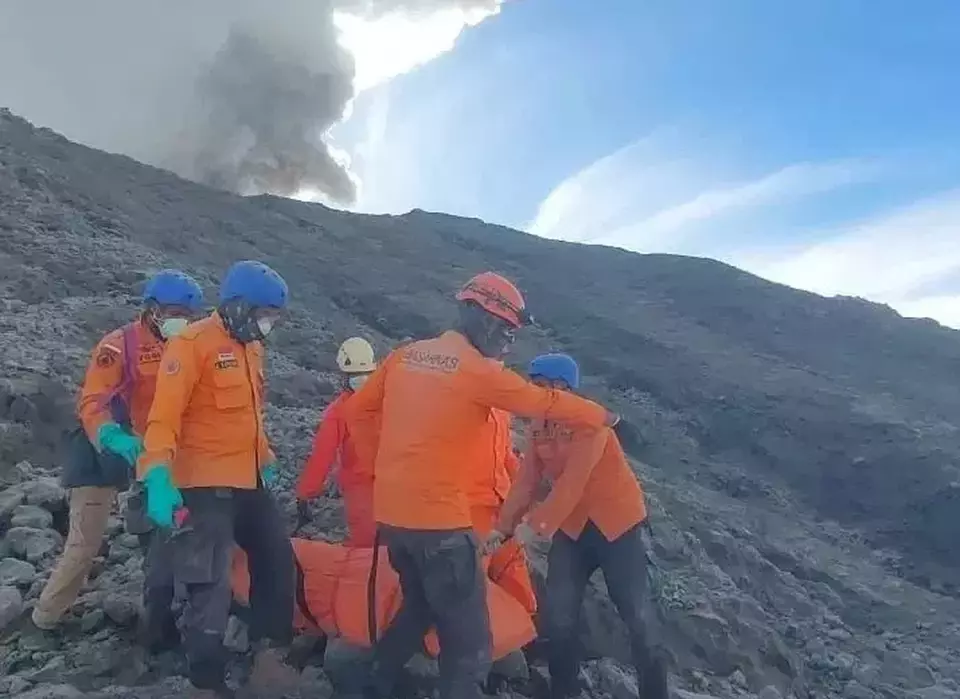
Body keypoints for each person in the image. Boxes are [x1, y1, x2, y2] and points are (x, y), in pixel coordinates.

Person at [345, 271, 620, 699]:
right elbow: (541, 401)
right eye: (506, 329)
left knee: (418, 607)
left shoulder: (404, 356)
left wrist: (382, 467)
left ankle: (369, 685)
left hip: (394, 519)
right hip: (442, 528)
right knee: (470, 646)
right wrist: (601, 416)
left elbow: (357, 412)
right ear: (481, 316)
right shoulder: (477, 372)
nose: (508, 340)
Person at [137, 260, 297, 698]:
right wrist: (156, 475)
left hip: (248, 479)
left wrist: (265, 459)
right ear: (240, 307)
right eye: (266, 315)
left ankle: (270, 650)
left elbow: (252, 416)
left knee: (278, 561)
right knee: (209, 581)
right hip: (203, 482)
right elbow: (163, 418)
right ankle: (204, 676)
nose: (269, 326)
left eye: (275, 318)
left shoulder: (252, 348)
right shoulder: (190, 344)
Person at [31, 269, 203, 649]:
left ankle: (160, 607)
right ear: (153, 309)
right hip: (102, 450)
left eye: (188, 315)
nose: (182, 321)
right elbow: (93, 401)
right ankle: (45, 618)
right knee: (84, 545)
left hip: (149, 450)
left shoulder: (184, 344)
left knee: (163, 529)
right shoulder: (118, 345)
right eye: (175, 311)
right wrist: (110, 435)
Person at [486, 353, 669, 699]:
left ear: (561, 388)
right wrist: (503, 526)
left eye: (538, 386)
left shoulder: (590, 423)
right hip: (573, 530)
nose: (533, 392)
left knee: (639, 617)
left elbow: (574, 483)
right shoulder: (538, 425)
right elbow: (527, 482)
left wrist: (535, 526)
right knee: (558, 617)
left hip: (618, 525)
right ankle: (563, 692)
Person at [295, 337, 378, 546]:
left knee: (365, 549)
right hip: (397, 486)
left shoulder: (338, 411)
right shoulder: (391, 399)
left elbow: (322, 457)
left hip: (361, 491)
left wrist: (305, 494)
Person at [469, 408, 537, 616]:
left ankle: (527, 630)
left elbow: (504, 454)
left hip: (503, 507)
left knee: (514, 571)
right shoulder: (455, 404)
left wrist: (524, 493)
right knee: (470, 582)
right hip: (471, 508)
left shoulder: (500, 410)